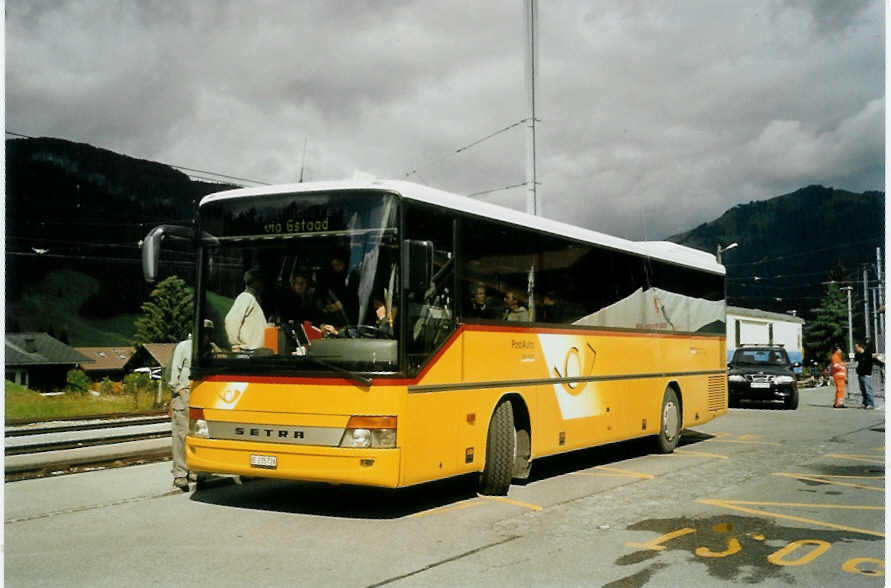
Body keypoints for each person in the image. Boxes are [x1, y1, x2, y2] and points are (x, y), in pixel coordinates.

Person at [168, 319, 214, 491]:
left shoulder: (210, 350)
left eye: (209, 333)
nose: (207, 336)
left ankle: (197, 471)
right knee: (181, 437)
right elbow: (173, 376)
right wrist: (182, 394)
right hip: (184, 394)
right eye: (204, 332)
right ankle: (180, 475)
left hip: (203, 396)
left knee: (199, 435)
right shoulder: (183, 347)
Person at [224, 269, 267, 351]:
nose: (262, 285)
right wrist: (235, 345)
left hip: (254, 352)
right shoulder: (246, 297)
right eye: (260, 281)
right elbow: (231, 320)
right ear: (256, 282)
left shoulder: (252, 298)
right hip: (247, 353)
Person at [854, 341, 882, 409]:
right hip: (860, 374)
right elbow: (857, 363)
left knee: (868, 389)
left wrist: (882, 364)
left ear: (860, 347)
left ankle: (871, 404)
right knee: (863, 390)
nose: (855, 349)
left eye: (856, 347)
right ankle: (865, 403)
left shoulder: (867, 354)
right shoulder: (857, 355)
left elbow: (875, 360)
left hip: (867, 374)